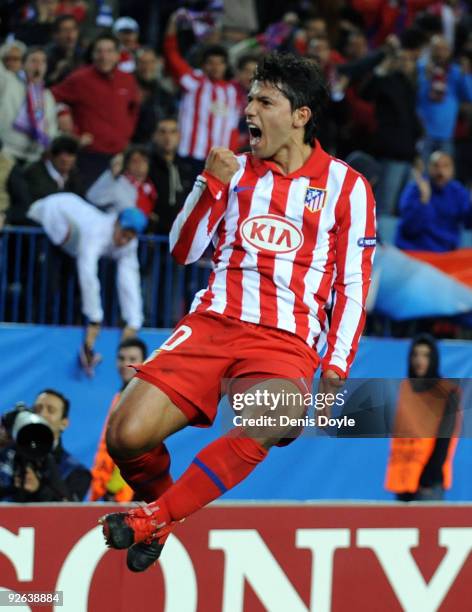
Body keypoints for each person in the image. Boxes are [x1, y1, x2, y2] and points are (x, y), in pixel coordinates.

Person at [99, 52, 376, 573]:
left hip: (284, 342)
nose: (249, 108)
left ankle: (153, 516)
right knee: (124, 436)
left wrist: (336, 366)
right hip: (211, 323)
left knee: (273, 414)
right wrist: (209, 185)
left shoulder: (347, 186)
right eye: (249, 97)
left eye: (264, 100)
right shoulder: (232, 171)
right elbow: (182, 251)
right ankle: (165, 515)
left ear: (300, 115)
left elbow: (354, 285)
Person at [27, 194, 147, 374]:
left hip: (72, 230)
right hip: (48, 211)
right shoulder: (96, 231)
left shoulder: (129, 242)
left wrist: (134, 322)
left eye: (129, 238)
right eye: (123, 234)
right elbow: (88, 274)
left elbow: (129, 278)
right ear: (116, 223)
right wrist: (95, 318)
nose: (124, 241)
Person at [51, 33, 139, 188]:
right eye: (99, 51)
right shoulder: (79, 79)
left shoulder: (127, 79)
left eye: (109, 51)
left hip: (120, 155)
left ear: (118, 55)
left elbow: (133, 110)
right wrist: (62, 114)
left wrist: (126, 136)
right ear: (92, 54)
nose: (104, 56)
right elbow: (50, 96)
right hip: (90, 155)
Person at [385, 334, 461, 502]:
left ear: (433, 359)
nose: (419, 360)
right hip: (403, 481)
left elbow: (445, 439)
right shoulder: (405, 388)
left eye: (426, 355)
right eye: (416, 354)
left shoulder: (447, 392)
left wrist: (430, 477)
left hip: (428, 484)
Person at [163, 11, 240, 174]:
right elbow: (171, 54)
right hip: (190, 156)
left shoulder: (233, 91)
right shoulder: (194, 81)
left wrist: (233, 156)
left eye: (220, 63)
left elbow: (232, 128)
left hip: (219, 162)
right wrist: (172, 24)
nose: (215, 67)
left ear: (226, 66)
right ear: (203, 65)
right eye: (210, 63)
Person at [0, 389, 91, 502]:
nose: (42, 414)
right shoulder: (7, 453)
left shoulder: (76, 472)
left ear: (64, 423)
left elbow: (70, 514)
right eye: (37, 409)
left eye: (51, 410)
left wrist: (39, 490)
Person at [90, 338, 148, 502]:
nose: (125, 364)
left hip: (125, 492)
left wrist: (113, 488)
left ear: (144, 362)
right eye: (121, 358)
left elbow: (134, 448)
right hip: (109, 488)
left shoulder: (140, 398)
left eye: (132, 359)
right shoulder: (122, 395)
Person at [395, 151, 472, 251]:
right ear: (429, 167)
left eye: (446, 166)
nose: (440, 171)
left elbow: (468, 224)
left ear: (453, 169)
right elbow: (409, 229)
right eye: (436, 166)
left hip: (446, 254)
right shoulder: (415, 189)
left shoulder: (458, 191)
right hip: (415, 251)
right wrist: (424, 200)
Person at [0, 46, 58, 164]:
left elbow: (51, 127)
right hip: (6, 151)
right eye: (34, 60)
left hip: (33, 158)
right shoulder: (9, 82)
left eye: (43, 61)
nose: (38, 65)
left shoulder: (47, 96)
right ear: (23, 64)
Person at [148, 116, 195, 234]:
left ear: (179, 137)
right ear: (154, 136)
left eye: (173, 132)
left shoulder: (189, 168)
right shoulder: (146, 167)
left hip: (181, 235)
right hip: (153, 236)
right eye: (162, 132)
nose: (167, 137)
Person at [86, 146, 157, 220]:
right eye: (135, 161)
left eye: (144, 161)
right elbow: (92, 197)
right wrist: (112, 175)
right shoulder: (117, 181)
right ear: (126, 164)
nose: (140, 164)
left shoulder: (150, 188)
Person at [22, 134, 83, 202]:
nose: (66, 159)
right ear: (51, 155)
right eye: (60, 154)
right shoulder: (34, 172)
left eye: (70, 154)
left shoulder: (75, 176)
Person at [45, 14, 84, 86]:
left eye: (73, 29)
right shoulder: (46, 56)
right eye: (65, 30)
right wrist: (56, 73)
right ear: (55, 35)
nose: (70, 35)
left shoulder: (83, 54)